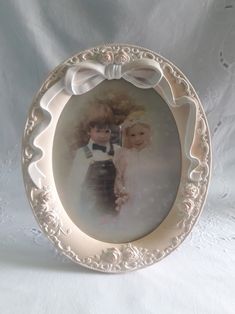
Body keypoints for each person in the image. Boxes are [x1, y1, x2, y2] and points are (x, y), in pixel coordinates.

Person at [68, 117, 120, 218]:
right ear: (89, 131)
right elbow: (75, 181)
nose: (102, 135)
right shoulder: (82, 153)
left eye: (106, 131)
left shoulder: (118, 150)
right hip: (90, 202)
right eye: (98, 131)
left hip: (113, 200)